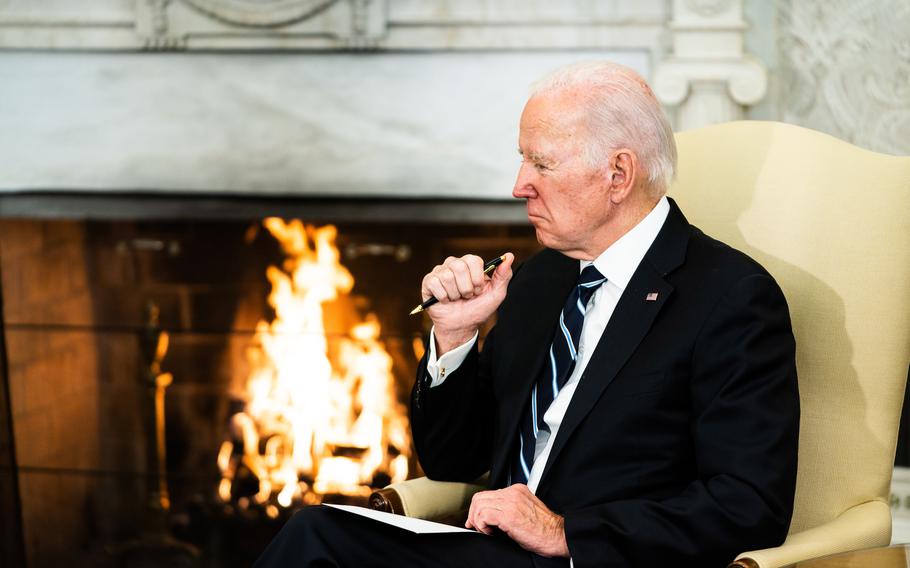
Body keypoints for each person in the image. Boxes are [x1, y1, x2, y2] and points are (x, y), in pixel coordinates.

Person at [255, 61, 799, 567]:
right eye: (523, 159)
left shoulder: (730, 297)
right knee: (316, 531)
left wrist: (567, 531)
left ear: (618, 175)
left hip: (593, 558)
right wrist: (456, 337)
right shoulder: (540, 280)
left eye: (541, 162)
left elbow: (748, 505)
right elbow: (454, 461)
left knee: (316, 542)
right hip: (491, 551)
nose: (519, 185)